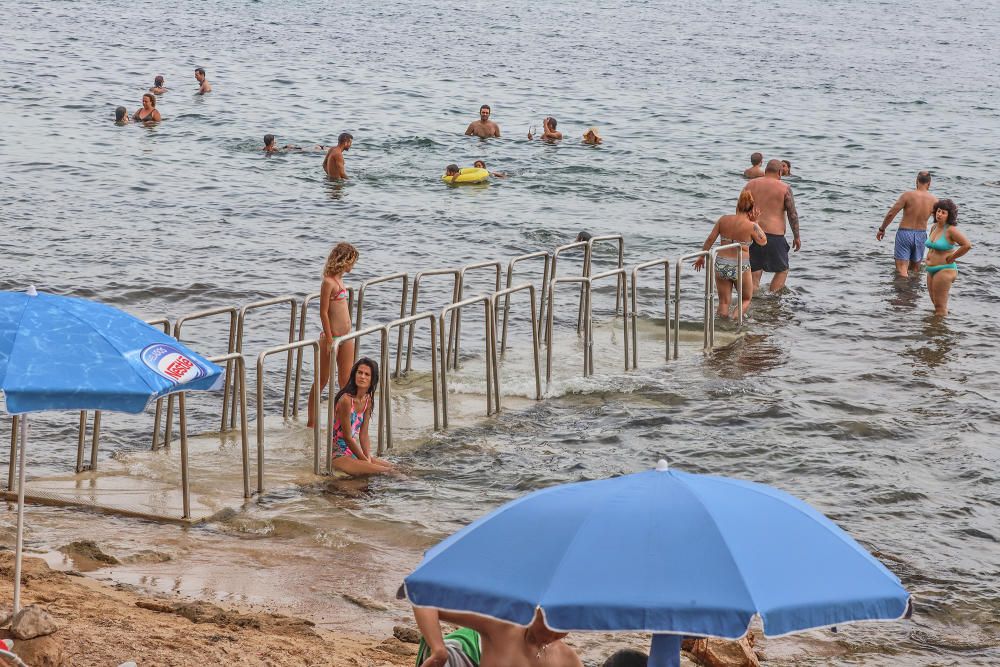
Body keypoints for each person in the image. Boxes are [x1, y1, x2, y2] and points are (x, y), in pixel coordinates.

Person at [413, 606, 583, 667]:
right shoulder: (501, 627)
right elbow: (424, 602)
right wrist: (438, 649)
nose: (552, 634)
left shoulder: (566, 658)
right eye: (547, 624)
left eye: (562, 629)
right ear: (536, 608)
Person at [307, 242, 359, 427]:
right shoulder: (328, 282)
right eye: (352, 261)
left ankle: (342, 420)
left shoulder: (340, 280)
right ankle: (312, 421)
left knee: (346, 380)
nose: (353, 266)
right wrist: (329, 339)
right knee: (322, 379)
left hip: (346, 337)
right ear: (344, 260)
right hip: (332, 338)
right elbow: (323, 312)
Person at [693, 190, 767, 319]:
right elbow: (763, 241)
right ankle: (734, 322)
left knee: (724, 302)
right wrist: (756, 222)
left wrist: (701, 256)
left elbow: (710, 239)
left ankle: (721, 327)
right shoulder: (751, 225)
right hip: (740, 266)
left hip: (721, 263)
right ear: (751, 209)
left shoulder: (723, 219)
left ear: (737, 205)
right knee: (745, 299)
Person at [743, 159, 800, 292]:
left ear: (766, 170)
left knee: (755, 271)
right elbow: (792, 214)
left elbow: (741, 210)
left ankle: (753, 300)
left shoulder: (750, 184)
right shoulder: (784, 188)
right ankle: (772, 298)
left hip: (752, 234)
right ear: (780, 172)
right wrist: (797, 237)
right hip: (774, 236)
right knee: (782, 270)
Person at [330, 357, 393, 475]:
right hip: (338, 455)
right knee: (387, 472)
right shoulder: (346, 400)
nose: (362, 376)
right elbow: (348, 438)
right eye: (359, 372)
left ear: (372, 380)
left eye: (367, 374)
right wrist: (365, 461)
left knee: (397, 468)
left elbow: (364, 434)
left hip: (353, 451)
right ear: (354, 375)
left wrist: (367, 456)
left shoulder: (368, 399)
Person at [877, 171, 937, 277]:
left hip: (904, 234)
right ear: (929, 183)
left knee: (902, 269)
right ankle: (913, 291)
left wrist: (882, 229)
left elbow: (891, 213)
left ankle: (902, 291)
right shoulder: (934, 200)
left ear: (916, 181)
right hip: (921, 235)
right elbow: (938, 223)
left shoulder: (908, 195)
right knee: (915, 270)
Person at [924, 199, 972, 316]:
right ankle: (935, 330)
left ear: (949, 216)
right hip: (931, 270)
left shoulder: (951, 230)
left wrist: (953, 257)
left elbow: (967, 245)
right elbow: (932, 247)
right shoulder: (934, 227)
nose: (939, 214)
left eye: (943, 212)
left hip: (944, 269)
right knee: (935, 304)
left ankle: (940, 332)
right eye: (938, 211)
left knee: (940, 307)